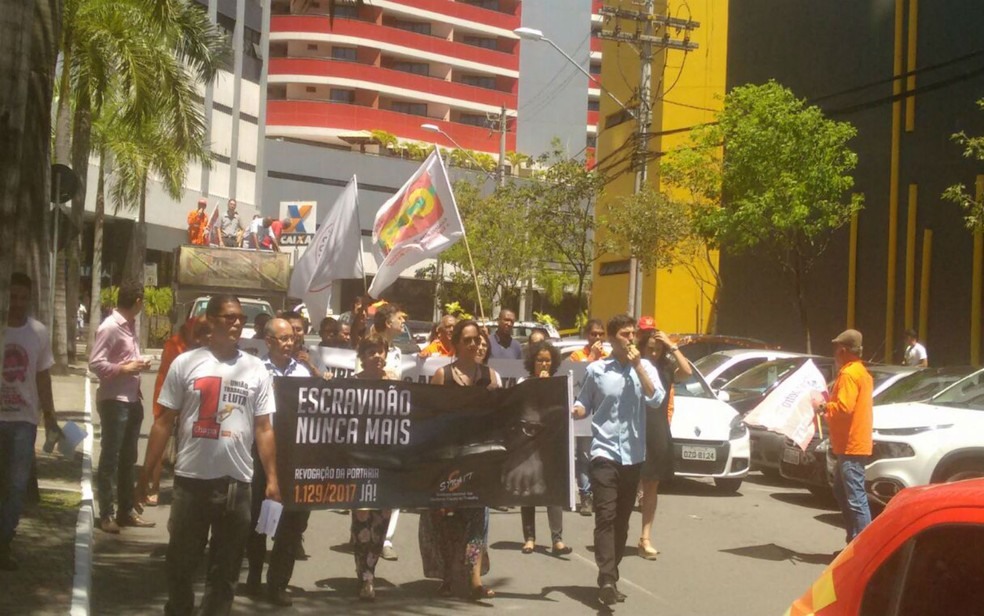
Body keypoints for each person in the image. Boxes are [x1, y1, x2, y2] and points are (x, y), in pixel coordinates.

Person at [136, 295, 280, 616]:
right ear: (210, 320)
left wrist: (271, 479)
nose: (236, 323)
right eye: (229, 317)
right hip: (192, 483)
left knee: (225, 572)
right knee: (180, 564)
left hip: (237, 485)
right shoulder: (186, 363)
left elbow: (264, 428)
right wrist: (146, 474)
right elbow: (163, 422)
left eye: (240, 318)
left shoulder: (256, 368)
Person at [572, 314, 664, 606]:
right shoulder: (598, 370)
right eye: (625, 334)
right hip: (604, 452)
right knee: (606, 516)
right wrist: (576, 410)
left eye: (633, 333)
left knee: (622, 520)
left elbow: (656, 398)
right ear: (612, 338)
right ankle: (607, 579)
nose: (631, 339)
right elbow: (583, 401)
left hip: (633, 455)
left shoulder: (645, 366)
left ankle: (611, 574)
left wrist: (638, 365)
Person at [423, 319, 500, 600]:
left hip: (478, 461)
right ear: (455, 344)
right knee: (445, 520)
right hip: (448, 460)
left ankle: (475, 579)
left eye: (476, 339)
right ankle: (446, 577)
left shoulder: (490, 376)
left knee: (477, 522)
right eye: (466, 339)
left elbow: (497, 420)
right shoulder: (442, 375)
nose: (472, 344)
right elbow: (431, 419)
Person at [244, 318, 311, 607]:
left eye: (291, 338)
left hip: (294, 458)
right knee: (256, 520)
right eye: (282, 339)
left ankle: (278, 583)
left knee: (293, 522)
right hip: (259, 455)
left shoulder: (305, 374)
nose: (289, 343)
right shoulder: (254, 371)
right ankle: (254, 576)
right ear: (268, 341)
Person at [0, 273, 60, 570]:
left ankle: (5, 541)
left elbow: (43, 376)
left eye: (23, 297)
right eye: (13, 297)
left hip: (24, 421)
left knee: (16, 483)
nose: (18, 303)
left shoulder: (38, 333)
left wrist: (50, 417)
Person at [89, 285, 155, 534]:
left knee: (128, 459)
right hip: (114, 400)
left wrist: (137, 364)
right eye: (143, 301)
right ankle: (106, 513)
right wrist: (123, 369)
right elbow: (96, 363)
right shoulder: (110, 326)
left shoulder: (129, 325)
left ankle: (125, 511)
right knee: (110, 458)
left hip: (131, 399)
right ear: (137, 301)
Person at [140, 316, 210, 509]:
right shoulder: (174, 345)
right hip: (167, 396)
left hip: (193, 398)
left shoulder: (206, 349)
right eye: (199, 330)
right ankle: (153, 487)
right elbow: (175, 370)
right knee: (161, 443)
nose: (201, 335)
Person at [635, 319, 691, 560]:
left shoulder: (666, 370)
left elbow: (687, 372)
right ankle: (616, 531)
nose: (654, 352)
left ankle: (645, 537)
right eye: (650, 348)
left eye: (658, 349)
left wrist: (671, 345)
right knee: (627, 484)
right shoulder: (635, 366)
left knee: (651, 486)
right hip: (635, 428)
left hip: (657, 430)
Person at [812, 329, 873, 545]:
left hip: (851, 445)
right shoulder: (860, 372)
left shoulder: (849, 374)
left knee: (856, 498)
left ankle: (863, 549)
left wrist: (822, 406)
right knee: (842, 490)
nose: (835, 352)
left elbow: (844, 408)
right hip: (851, 443)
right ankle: (854, 543)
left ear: (844, 350)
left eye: (837, 348)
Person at [350, 334, 397, 601]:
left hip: (386, 463)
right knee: (362, 520)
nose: (377, 356)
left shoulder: (394, 385)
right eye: (371, 352)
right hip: (357, 462)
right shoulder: (350, 385)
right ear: (362, 357)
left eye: (381, 351)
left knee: (381, 522)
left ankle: (370, 568)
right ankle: (365, 576)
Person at [519, 341, 571, 556]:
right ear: (533, 361)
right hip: (529, 442)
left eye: (548, 360)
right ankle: (529, 538)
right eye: (540, 360)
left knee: (553, 490)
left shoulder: (559, 384)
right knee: (529, 488)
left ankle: (557, 539)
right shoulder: (524, 382)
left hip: (552, 442)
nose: (544, 364)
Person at [570, 318, 609, 517]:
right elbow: (577, 380)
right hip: (584, 414)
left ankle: (601, 494)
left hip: (603, 416)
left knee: (601, 457)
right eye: (594, 334)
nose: (598, 338)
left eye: (601, 334)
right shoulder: (577, 355)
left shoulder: (610, 357)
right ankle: (585, 495)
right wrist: (592, 356)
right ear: (587, 335)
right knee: (584, 456)